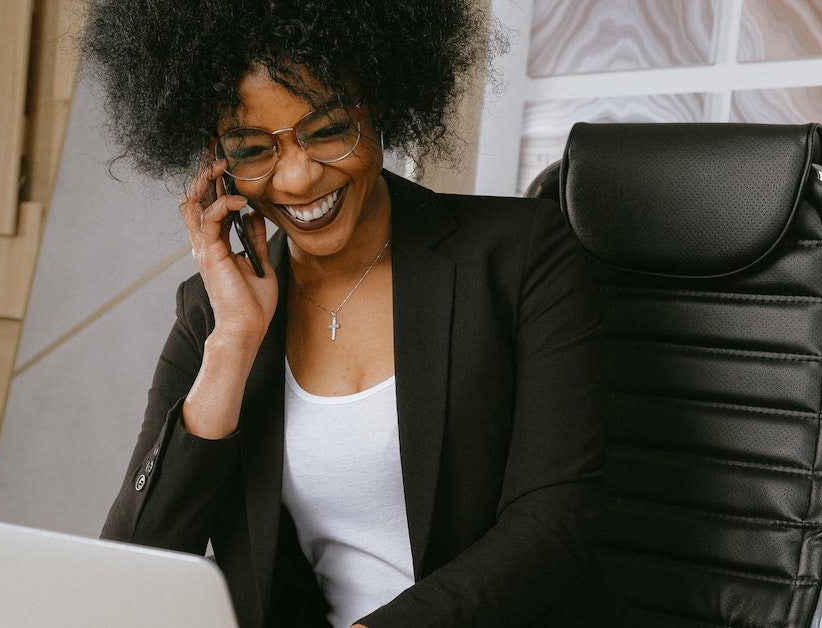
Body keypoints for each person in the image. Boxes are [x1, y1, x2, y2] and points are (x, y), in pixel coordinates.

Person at [85, 1, 611, 626]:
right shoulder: (213, 311)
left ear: (381, 103)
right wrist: (233, 342)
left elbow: (554, 526)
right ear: (217, 159)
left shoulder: (521, 255)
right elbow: (133, 572)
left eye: (329, 129)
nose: (299, 177)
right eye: (254, 149)